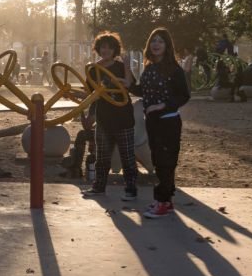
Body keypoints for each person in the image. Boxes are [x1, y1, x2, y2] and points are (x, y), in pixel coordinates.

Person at [128, 28, 190, 219]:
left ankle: (161, 202)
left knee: (165, 163)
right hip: (153, 122)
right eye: (153, 41)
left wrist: (162, 105)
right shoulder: (149, 67)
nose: (156, 44)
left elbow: (184, 95)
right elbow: (143, 91)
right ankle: (167, 201)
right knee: (159, 162)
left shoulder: (174, 69)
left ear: (167, 45)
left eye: (160, 41)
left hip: (168, 122)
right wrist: (128, 80)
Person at [81, 32, 138, 201]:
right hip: (103, 119)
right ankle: (98, 188)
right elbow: (89, 96)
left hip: (123, 118)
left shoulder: (120, 67)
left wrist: (127, 66)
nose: (105, 50)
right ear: (98, 49)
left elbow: (131, 86)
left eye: (109, 47)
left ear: (115, 50)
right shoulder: (93, 69)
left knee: (127, 157)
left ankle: (131, 189)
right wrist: (87, 116)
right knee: (102, 158)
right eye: (102, 47)